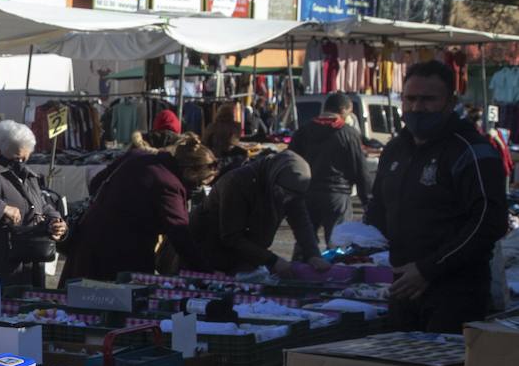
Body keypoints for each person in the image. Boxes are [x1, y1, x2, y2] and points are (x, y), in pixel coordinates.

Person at [364, 60, 508, 332]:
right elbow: (379, 208)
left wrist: (429, 270)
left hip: (454, 293)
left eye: (428, 99)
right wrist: (362, 245)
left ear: (450, 101)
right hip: (402, 289)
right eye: (411, 98)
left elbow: (490, 221)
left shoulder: (471, 150)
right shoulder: (395, 149)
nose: (417, 107)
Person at [63, 134, 217, 281]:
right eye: (200, 182)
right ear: (190, 172)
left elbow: (96, 182)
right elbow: (180, 234)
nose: (199, 188)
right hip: (120, 257)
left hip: (88, 241)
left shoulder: (138, 156)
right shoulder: (169, 185)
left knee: (75, 302)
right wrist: (206, 272)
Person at [0, 120, 66, 285]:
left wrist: (55, 221)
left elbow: (42, 204)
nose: (21, 163)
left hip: (27, 265)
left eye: (25, 158)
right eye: (16, 158)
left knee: (25, 308)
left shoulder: (28, 175)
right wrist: (3, 209)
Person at [186, 150, 328, 277]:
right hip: (206, 252)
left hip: (242, 256)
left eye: (291, 196)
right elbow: (231, 236)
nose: (286, 199)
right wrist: (272, 260)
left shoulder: (289, 190)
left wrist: (313, 254)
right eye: (282, 192)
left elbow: (301, 222)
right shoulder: (237, 183)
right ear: (274, 178)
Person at [289, 92, 373, 247]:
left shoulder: (303, 131)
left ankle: (300, 270)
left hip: (307, 194)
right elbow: (360, 170)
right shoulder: (348, 133)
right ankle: (334, 271)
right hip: (337, 197)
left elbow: (291, 162)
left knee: (305, 245)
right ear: (344, 110)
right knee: (338, 245)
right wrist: (367, 201)